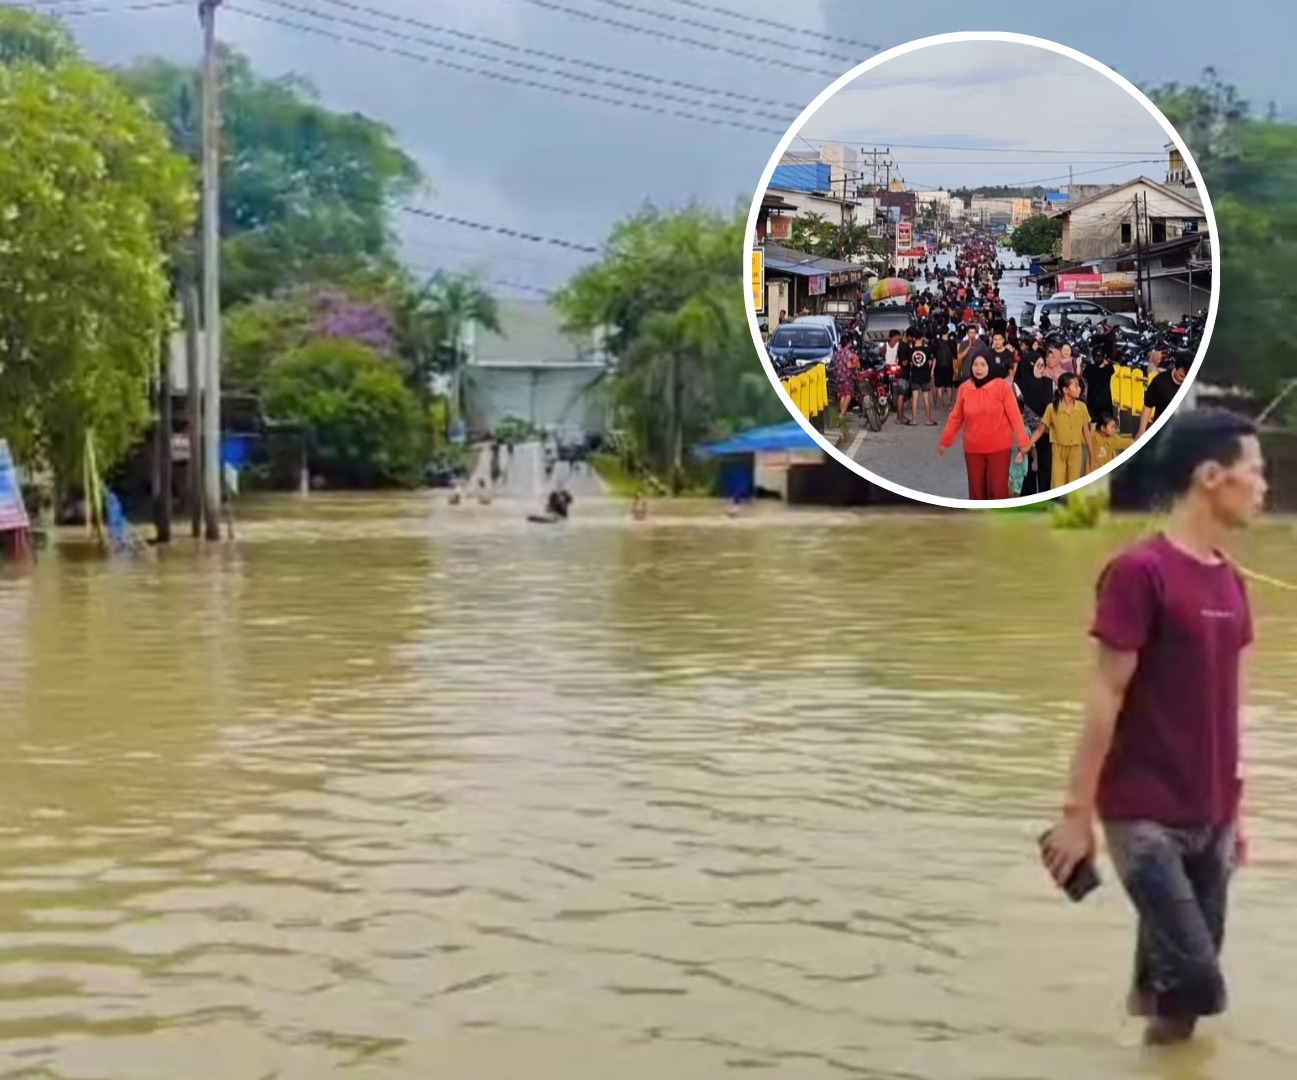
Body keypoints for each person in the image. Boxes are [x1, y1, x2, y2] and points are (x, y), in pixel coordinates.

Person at [1040, 409, 1266, 1046]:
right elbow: (1104, 696)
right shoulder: (1140, 574)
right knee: (1200, 979)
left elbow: (1230, 707)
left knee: (1178, 1006)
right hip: (1144, 818)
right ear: (1211, 476)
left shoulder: (1234, 582)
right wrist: (1076, 816)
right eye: (1255, 472)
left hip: (1213, 816)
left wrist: (1238, 813)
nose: (1263, 487)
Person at [937, 353, 1031, 500]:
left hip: (999, 448)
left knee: (997, 490)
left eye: (983, 365)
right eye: (975, 364)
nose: (978, 369)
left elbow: (1015, 416)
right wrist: (945, 441)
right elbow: (955, 417)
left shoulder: (1001, 387)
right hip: (973, 449)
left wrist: (1023, 442)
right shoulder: (964, 389)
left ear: (990, 366)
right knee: (977, 492)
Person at [1025, 372, 1094, 488]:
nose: (1080, 389)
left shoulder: (1082, 407)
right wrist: (1026, 446)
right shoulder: (1052, 408)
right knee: (1057, 484)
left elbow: (1086, 432)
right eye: (1076, 386)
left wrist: (1092, 456)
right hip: (1058, 450)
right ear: (1065, 390)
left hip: (1075, 450)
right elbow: (1039, 430)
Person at [1136, 352, 1190, 438]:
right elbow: (1148, 405)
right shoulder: (1160, 381)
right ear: (1177, 366)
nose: (1184, 379)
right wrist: (1142, 430)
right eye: (1182, 375)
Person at [908, 328, 936, 426]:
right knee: (926, 398)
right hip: (925, 375)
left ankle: (914, 420)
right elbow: (930, 363)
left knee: (914, 398)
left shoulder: (910, 351)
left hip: (915, 375)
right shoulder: (928, 350)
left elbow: (911, 364)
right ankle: (928, 420)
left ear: (914, 339)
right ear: (923, 338)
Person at [933, 326, 956, 411]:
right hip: (949, 366)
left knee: (939, 386)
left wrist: (932, 370)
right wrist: (955, 369)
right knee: (949, 386)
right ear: (948, 332)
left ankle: (941, 405)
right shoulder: (952, 343)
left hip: (938, 366)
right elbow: (954, 358)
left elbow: (934, 357)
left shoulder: (936, 343)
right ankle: (950, 403)